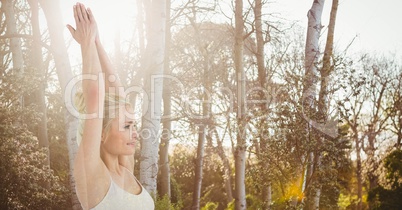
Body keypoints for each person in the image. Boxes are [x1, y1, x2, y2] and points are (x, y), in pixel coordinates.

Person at [66, 3, 155, 209]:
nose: (135, 134)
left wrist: (96, 41)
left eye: (133, 125)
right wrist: (86, 44)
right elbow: (95, 98)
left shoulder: (125, 168)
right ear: (101, 133)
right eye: (126, 126)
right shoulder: (91, 172)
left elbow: (120, 97)